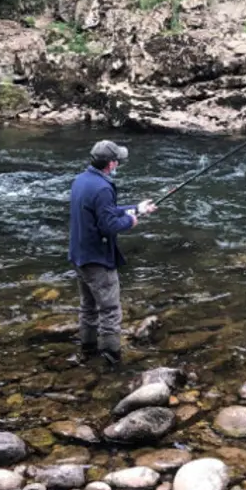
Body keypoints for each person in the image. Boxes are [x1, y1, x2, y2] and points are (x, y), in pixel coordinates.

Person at [68, 140, 156, 365]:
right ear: (110, 164)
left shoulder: (81, 181)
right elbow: (109, 225)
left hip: (79, 256)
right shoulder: (104, 188)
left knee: (88, 307)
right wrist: (131, 221)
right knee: (110, 310)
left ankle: (87, 352)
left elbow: (102, 211)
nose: (118, 163)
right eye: (117, 160)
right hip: (97, 259)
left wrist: (136, 208)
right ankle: (111, 359)